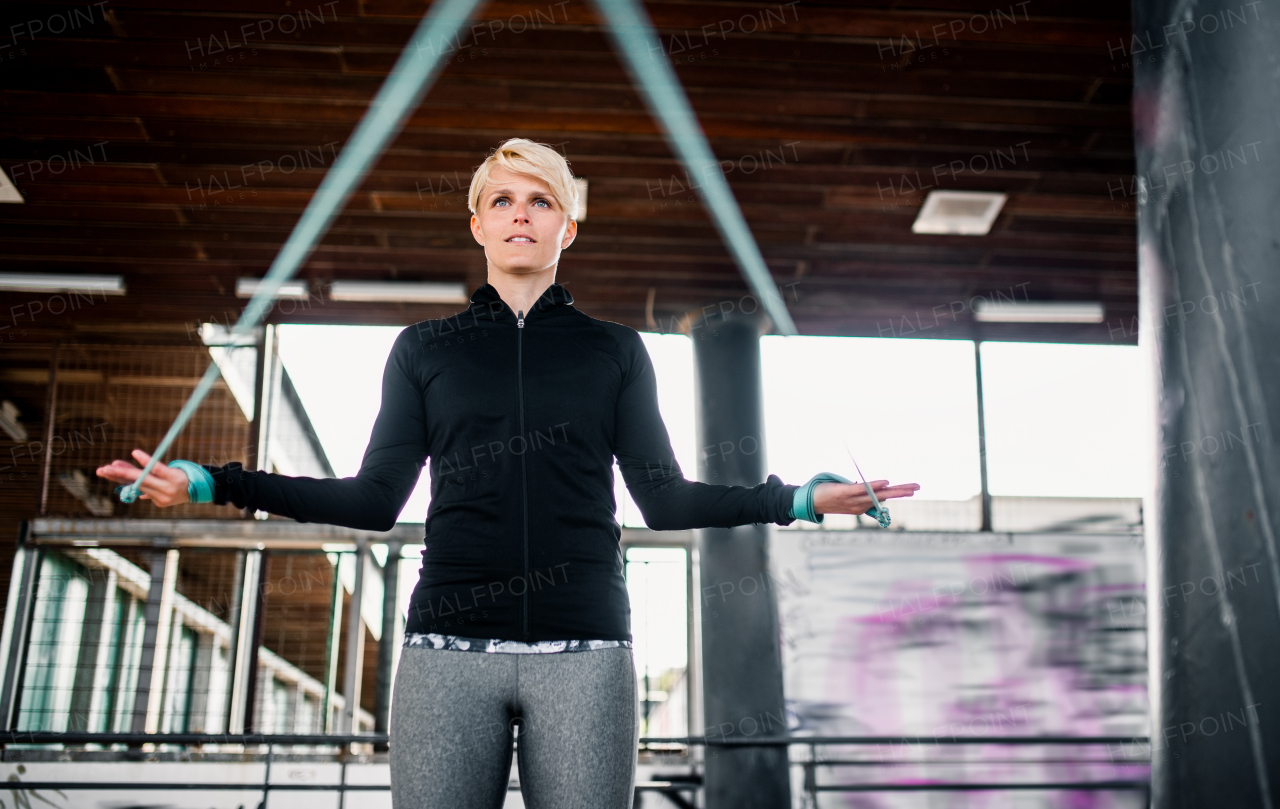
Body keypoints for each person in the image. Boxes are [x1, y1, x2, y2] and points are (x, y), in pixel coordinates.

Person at [96, 138, 920, 808]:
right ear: (478, 224)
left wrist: (799, 498)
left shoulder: (615, 350)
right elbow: (372, 499)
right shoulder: (424, 349)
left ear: (567, 228)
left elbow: (664, 499)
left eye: (541, 201)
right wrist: (215, 483)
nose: (520, 214)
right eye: (502, 200)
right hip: (446, 652)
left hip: (588, 650)